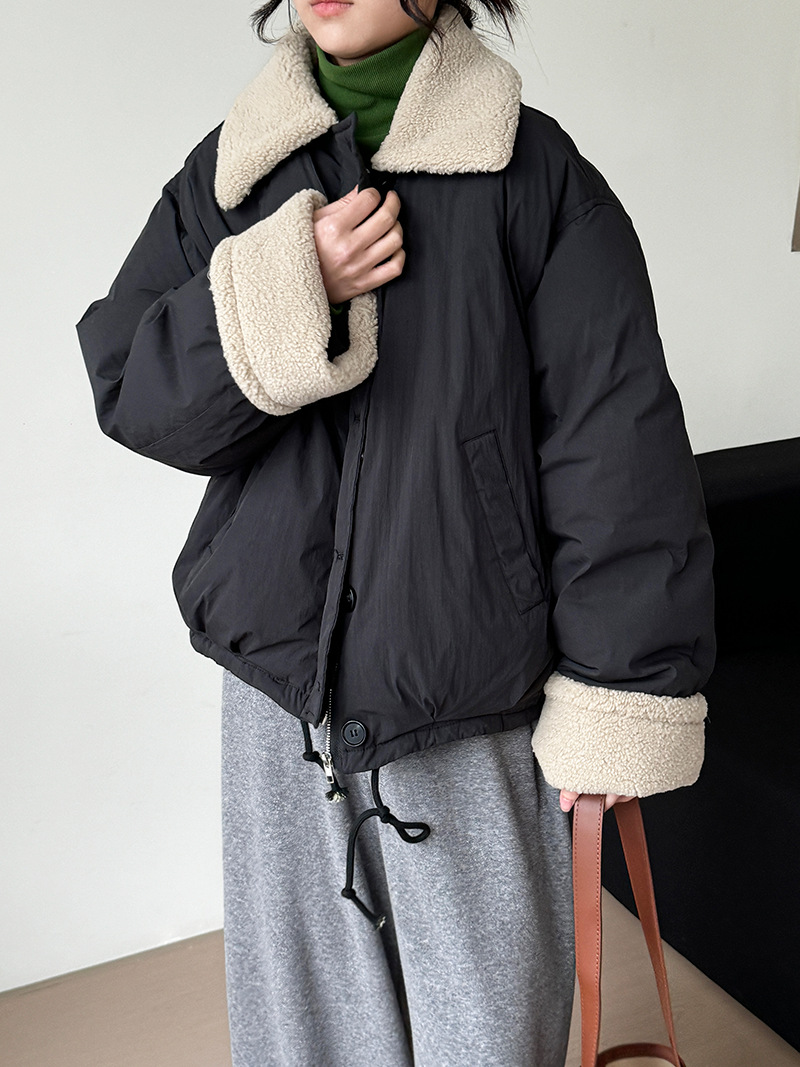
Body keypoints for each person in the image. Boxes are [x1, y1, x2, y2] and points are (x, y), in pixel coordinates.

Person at [76, 0, 716, 1063]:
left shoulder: (535, 177)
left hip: (469, 694)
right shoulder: (231, 174)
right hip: (278, 702)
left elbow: (616, 449)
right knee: (301, 1037)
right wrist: (292, 283)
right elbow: (135, 390)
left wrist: (620, 688)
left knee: (486, 1030)